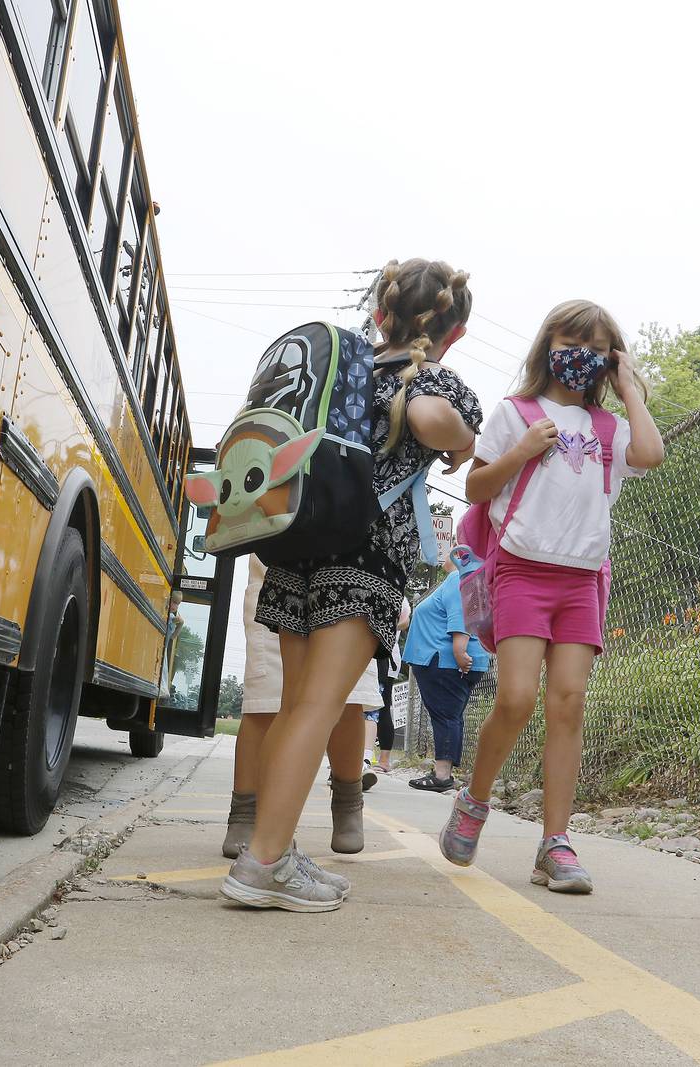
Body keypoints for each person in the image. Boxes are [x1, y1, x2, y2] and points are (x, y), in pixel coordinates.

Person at [220, 258, 482, 912]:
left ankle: (271, 849)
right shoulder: (434, 379)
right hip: (360, 564)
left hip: (295, 553)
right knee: (318, 706)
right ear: (456, 333)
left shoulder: (345, 372)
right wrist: (463, 432)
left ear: (379, 315)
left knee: (295, 707)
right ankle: (265, 862)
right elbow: (427, 418)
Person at [441, 300, 663, 893]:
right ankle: (474, 800)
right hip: (521, 569)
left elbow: (652, 454)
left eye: (595, 347)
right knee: (514, 698)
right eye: (571, 340)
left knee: (568, 703)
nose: (579, 354)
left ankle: (555, 844)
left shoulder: (610, 429)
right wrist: (522, 451)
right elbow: (476, 485)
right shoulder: (517, 412)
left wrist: (630, 387)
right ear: (548, 345)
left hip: (581, 579)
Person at [223, 556, 385, 861]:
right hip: (280, 563)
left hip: (356, 574)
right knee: (265, 701)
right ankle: (245, 812)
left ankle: (348, 801)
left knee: (348, 699)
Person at [404, 553, 489, 792]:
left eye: (456, 546)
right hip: (447, 660)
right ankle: (444, 770)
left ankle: (442, 774)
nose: (449, 551)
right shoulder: (473, 578)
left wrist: (460, 650)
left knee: (445, 715)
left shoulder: (458, 578)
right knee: (450, 715)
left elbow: (460, 614)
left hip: (444, 660)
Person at [364, 597, 409, 775]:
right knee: (363, 708)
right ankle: (356, 757)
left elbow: (404, 621)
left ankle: (383, 760)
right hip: (374, 656)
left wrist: (382, 627)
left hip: (384, 659)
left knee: (380, 708)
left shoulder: (400, 597)